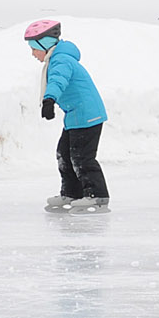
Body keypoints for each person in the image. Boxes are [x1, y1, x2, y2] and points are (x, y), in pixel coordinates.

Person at [27, 18, 110, 212]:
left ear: (45, 45)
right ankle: (72, 192)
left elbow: (58, 80)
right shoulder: (58, 58)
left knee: (82, 158)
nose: (32, 54)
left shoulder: (61, 61)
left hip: (87, 115)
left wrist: (49, 100)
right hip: (76, 116)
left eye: (33, 48)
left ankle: (97, 195)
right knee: (64, 154)